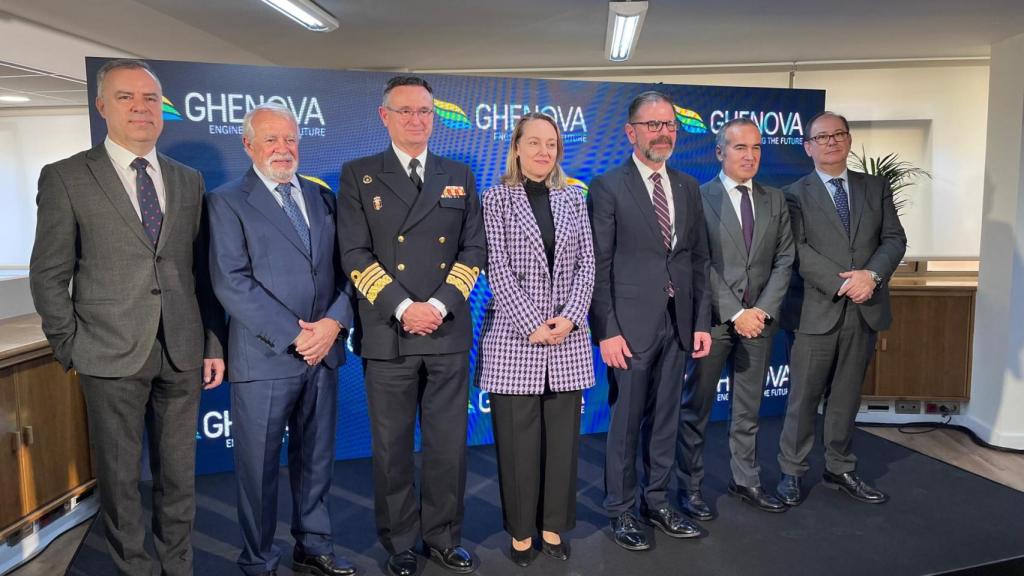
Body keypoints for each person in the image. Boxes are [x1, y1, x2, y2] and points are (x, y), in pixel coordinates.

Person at [28, 58, 225, 576]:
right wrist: (70, 345)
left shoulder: (188, 179)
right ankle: (135, 568)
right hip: (107, 352)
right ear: (102, 106)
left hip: (181, 350)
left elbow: (201, 271)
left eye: (150, 98)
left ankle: (177, 565)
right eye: (125, 97)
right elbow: (48, 273)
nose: (141, 108)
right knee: (119, 479)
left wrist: (212, 343)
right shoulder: (66, 177)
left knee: (178, 476)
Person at [337, 76, 486, 576]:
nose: (416, 120)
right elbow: (354, 253)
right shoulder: (360, 175)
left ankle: (443, 536)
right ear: (385, 117)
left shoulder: (458, 174)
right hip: (389, 333)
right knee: (392, 449)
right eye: (405, 111)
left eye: (424, 111)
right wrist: (404, 307)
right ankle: (400, 541)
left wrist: (439, 305)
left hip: (446, 329)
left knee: (448, 447)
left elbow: (474, 249)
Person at [206, 103, 356, 576]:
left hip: (324, 352)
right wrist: (297, 336)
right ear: (248, 145)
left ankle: (313, 546)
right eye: (271, 139)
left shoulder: (321, 197)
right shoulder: (226, 201)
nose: (283, 148)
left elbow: (348, 269)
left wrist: (333, 324)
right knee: (258, 469)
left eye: (290, 139)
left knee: (316, 460)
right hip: (265, 357)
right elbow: (231, 281)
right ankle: (258, 559)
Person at [589, 90, 712, 551]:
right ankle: (621, 509)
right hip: (629, 328)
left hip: (678, 324)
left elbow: (698, 260)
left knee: (665, 420)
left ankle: (657, 502)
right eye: (653, 125)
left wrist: (700, 322)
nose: (663, 133)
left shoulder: (688, 186)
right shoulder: (607, 186)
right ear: (631, 132)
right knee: (625, 424)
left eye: (669, 125)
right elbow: (598, 265)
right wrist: (608, 330)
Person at [477, 113, 595, 567]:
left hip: (567, 339)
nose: (544, 151)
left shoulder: (574, 198)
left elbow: (588, 264)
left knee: (562, 445)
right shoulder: (495, 199)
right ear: (517, 147)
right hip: (515, 338)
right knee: (518, 445)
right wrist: (532, 324)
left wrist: (570, 318)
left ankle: (552, 526)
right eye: (534, 143)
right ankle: (522, 531)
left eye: (551, 144)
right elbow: (497, 268)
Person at [776, 111, 907, 506]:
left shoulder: (875, 187)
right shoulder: (792, 194)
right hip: (815, 309)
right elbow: (796, 249)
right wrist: (845, 283)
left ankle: (840, 466)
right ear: (808, 147)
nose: (831, 142)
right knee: (803, 397)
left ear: (848, 140)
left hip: (865, 308)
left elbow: (894, 239)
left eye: (838, 134)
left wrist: (872, 276)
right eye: (822, 137)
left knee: (847, 396)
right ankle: (792, 472)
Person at [676, 118, 794, 519]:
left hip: (759, 322)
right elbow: (699, 261)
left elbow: (785, 259)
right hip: (712, 322)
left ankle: (746, 481)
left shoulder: (775, 199)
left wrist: (759, 311)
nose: (750, 155)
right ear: (719, 152)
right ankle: (689, 488)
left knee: (748, 409)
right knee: (696, 410)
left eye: (756, 147)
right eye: (740, 147)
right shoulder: (697, 197)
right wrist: (736, 312)